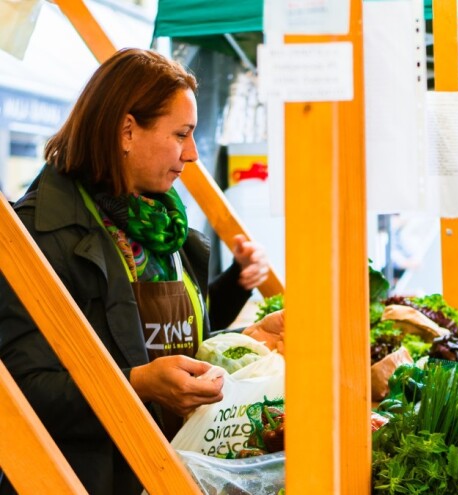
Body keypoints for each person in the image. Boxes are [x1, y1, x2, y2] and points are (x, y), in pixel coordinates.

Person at [0, 48, 284, 495]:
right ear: (127, 131)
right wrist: (138, 387)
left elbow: (169, 343)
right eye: (181, 134)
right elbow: (22, 394)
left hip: (177, 470)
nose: (191, 153)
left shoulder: (166, 231)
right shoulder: (35, 236)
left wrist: (246, 343)